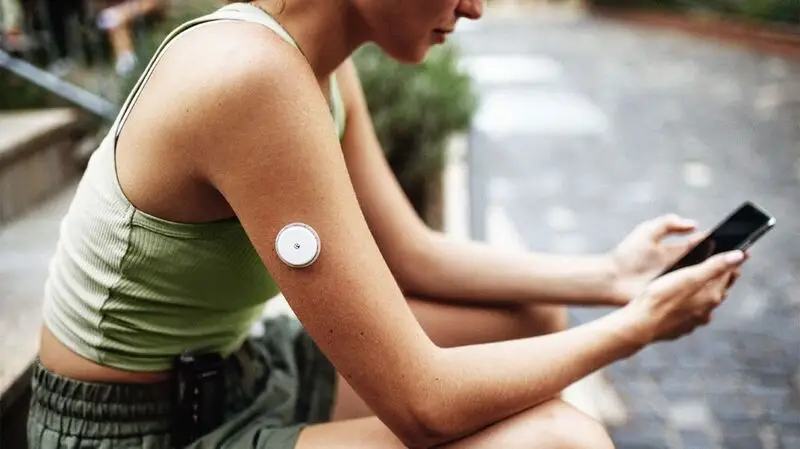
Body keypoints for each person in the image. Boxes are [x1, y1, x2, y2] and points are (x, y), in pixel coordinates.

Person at [28, 1, 748, 448]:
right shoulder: (250, 76)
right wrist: (637, 327)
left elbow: (410, 254)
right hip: (137, 428)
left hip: (234, 371)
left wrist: (611, 277)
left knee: (528, 315)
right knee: (560, 440)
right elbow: (423, 405)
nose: (475, 8)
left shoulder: (312, 63)